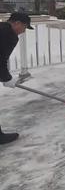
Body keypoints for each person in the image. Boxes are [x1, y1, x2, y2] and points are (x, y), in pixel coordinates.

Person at [0, 12, 34, 144]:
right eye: (25, 27)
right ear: (17, 23)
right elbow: (0, 59)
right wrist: (7, 78)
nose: (23, 31)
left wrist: (4, 77)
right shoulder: (9, 35)